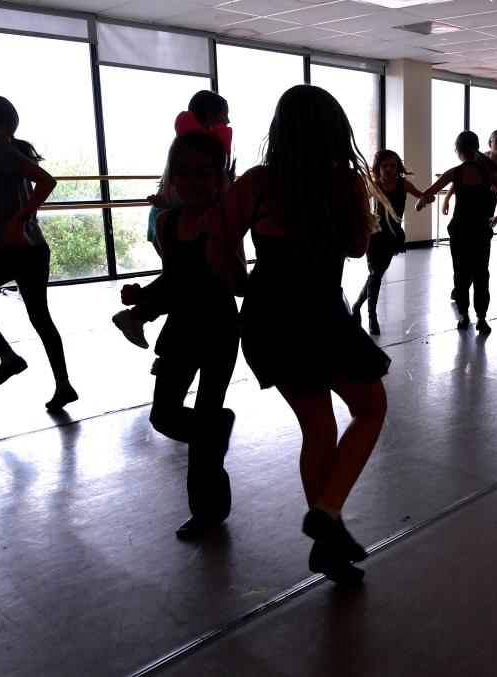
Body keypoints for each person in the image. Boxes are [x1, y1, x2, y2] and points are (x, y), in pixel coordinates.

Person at [211, 84, 390, 584]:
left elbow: (218, 243)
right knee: (370, 408)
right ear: (336, 134)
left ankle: (328, 537)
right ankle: (327, 514)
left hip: (269, 319)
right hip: (321, 316)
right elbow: (357, 249)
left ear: (280, 131)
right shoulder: (345, 185)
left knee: (319, 428)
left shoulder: (257, 184)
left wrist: (242, 286)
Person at [120, 131, 240, 539]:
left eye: (203, 174)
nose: (193, 182)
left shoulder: (224, 221)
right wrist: (142, 295)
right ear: (172, 177)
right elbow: (173, 279)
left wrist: (221, 241)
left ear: (218, 178)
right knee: (164, 415)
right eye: (184, 173)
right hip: (182, 330)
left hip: (220, 330)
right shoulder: (168, 222)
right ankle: (215, 430)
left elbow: (238, 283)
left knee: (204, 418)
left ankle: (207, 511)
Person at [0, 95, 77, 411]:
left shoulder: (2, 152)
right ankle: (64, 386)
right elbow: (5, 198)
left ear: (0, 128)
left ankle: (8, 358)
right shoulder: (5, 153)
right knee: (40, 318)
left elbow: (47, 182)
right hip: (33, 249)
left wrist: (21, 219)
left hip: (11, 250)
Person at [112, 90, 233, 352]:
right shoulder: (203, 154)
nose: (229, 120)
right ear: (212, 115)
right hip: (177, 223)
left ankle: (142, 317)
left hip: (170, 221)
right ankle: (140, 316)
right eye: (225, 114)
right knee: (189, 278)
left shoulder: (185, 147)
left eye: (203, 175)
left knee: (188, 278)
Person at [416, 131, 497, 333]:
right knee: (481, 274)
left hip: (460, 231)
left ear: (457, 150)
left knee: (460, 274)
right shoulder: (488, 173)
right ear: (477, 149)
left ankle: (464, 315)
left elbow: (429, 192)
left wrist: (420, 203)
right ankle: (482, 318)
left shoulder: (454, 172)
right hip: (480, 231)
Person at [351, 150, 423, 335]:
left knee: (376, 275)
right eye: (385, 166)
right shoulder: (374, 186)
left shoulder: (403, 184)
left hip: (393, 237)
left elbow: (423, 195)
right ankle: (371, 316)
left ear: (398, 167)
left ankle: (357, 305)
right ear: (378, 168)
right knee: (375, 276)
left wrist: (421, 202)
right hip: (375, 236)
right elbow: (359, 206)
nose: (389, 169)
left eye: (393, 165)